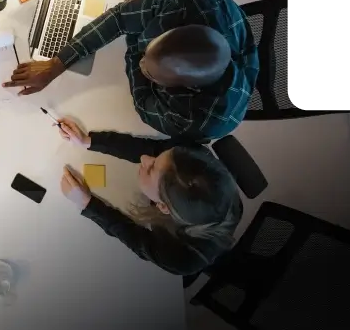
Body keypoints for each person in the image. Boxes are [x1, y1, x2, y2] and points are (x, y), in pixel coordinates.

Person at [4, 0, 259, 140]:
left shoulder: (195, 118)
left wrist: (135, 42)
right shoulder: (195, 2)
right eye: (148, 51)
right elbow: (120, 17)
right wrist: (57, 64)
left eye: (150, 74)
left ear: (183, 87)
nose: (142, 66)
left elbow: (143, 104)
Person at [55, 118, 242, 277]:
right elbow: (151, 148)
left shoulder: (181, 258)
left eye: (151, 169)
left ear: (163, 206)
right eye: (157, 159)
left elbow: (132, 236)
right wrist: (89, 141)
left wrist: (87, 203)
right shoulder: (190, 158)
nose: (144, 158)